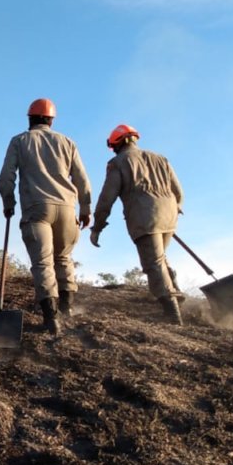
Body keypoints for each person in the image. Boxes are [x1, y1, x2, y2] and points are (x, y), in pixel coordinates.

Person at [0, 98, 92, 334]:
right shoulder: (68, 142)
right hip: (67, 209)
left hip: (38, 209)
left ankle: (51, 318)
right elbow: (82, 180)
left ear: (30, 119)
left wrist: (8, 202)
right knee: (63, 258)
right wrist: (85, 208)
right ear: (51, 120)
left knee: (43, 262)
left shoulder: (20, 141)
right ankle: (68, 309)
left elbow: (6, 177)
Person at [89, 124, 185, 324]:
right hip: (169, 215)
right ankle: (175, 290)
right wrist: (176, 208)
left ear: (116, 144)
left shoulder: (118, 162)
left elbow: (107, 197)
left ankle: (173, 313)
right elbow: (178, 191)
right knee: (159, 257)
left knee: (153, 262)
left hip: (144, 216)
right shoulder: (160, 158)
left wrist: (97, 226)